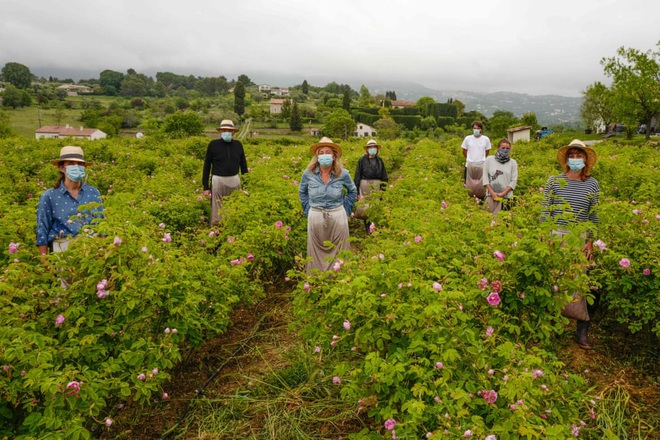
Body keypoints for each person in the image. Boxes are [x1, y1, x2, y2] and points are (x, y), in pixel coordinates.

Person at [541, 139, 600, 350]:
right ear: (566, 160)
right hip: (556, 235)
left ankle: (581, 331)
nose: (575, 159)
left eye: (579, 156)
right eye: (572, 156)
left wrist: (590, 241)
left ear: (586, 160)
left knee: (580, 283)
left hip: (579, 237)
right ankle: (550, 327)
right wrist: (545, 235)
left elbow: (594, 215)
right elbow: (545, 211)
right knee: (555, 280)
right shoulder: (554, 181)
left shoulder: (592, 184)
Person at [299, 137, 357, 273]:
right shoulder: (308, 174)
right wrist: (308, 210)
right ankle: (316, 280)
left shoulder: (343, 174)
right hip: (316, 215)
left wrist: (346, 210)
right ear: (317, 156)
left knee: (340, 249)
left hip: (337, 215)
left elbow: (352, 191)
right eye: (321, 152)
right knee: (316, 251)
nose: (324, 155)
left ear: (334, 155)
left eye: (328, 152)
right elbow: (302, 192)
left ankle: (340, 280)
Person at [36, 146, 103, 255]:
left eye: (80, 164)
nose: (76, 166)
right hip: (62, 249)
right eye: (71, 163)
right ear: (62, 168)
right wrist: (44, 260)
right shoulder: (49, 196)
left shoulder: (94, 193)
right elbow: (42, 229)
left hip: (91, 250)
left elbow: (101, 226)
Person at [202, 119, 248, 225]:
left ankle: (232, 227)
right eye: (224, 130)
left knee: (235, 206)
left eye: (229, 130)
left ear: (233, 132)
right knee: (217, 208)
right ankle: (217, 229)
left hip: (235, 180)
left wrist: (246, 184)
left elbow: (244, 166)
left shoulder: (238, 145)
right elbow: (207, 166)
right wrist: (206, 187)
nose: (226, 132)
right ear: (220, 132)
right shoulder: (213, 145)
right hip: (218, 180)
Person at [353, 139, 388, 232]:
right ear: (367, 149)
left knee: (376, 207)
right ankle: (368, 228)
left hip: (377, 186)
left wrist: (383, 189)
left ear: (377, 149)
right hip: (364, 186)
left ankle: (375, 228)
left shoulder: (380, 161)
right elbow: (357, 175)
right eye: (370, 147)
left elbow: (384, 176)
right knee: (365, 207)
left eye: (374, 147)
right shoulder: (362, 160)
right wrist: (356, 191)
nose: (373, 149)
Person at [482, 138, 518, 219]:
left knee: (503, 222)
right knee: (488, 220)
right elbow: (485, 178)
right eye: (503, 148)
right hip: (490, 196)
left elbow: (513, 181)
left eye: (507, 148)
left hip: (506, 197)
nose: (505, 150)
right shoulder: (489, 160)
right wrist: (492, 193)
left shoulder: (513, 163)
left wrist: (503, 193)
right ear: (498, 148)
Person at [462, 121, 491, 199]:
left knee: (481, 184)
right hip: (469, 164)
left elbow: (487, 151)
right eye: (474, 128)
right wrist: (469, 158)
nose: (476, 130)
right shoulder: (468, 139)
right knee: (468, 184)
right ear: (472, 129)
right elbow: (464, 151)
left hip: (482, 164)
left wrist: (481, 159)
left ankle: (481, 200)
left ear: (481, 129)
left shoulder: (485, 139)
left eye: (478, 128)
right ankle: (469, 199)